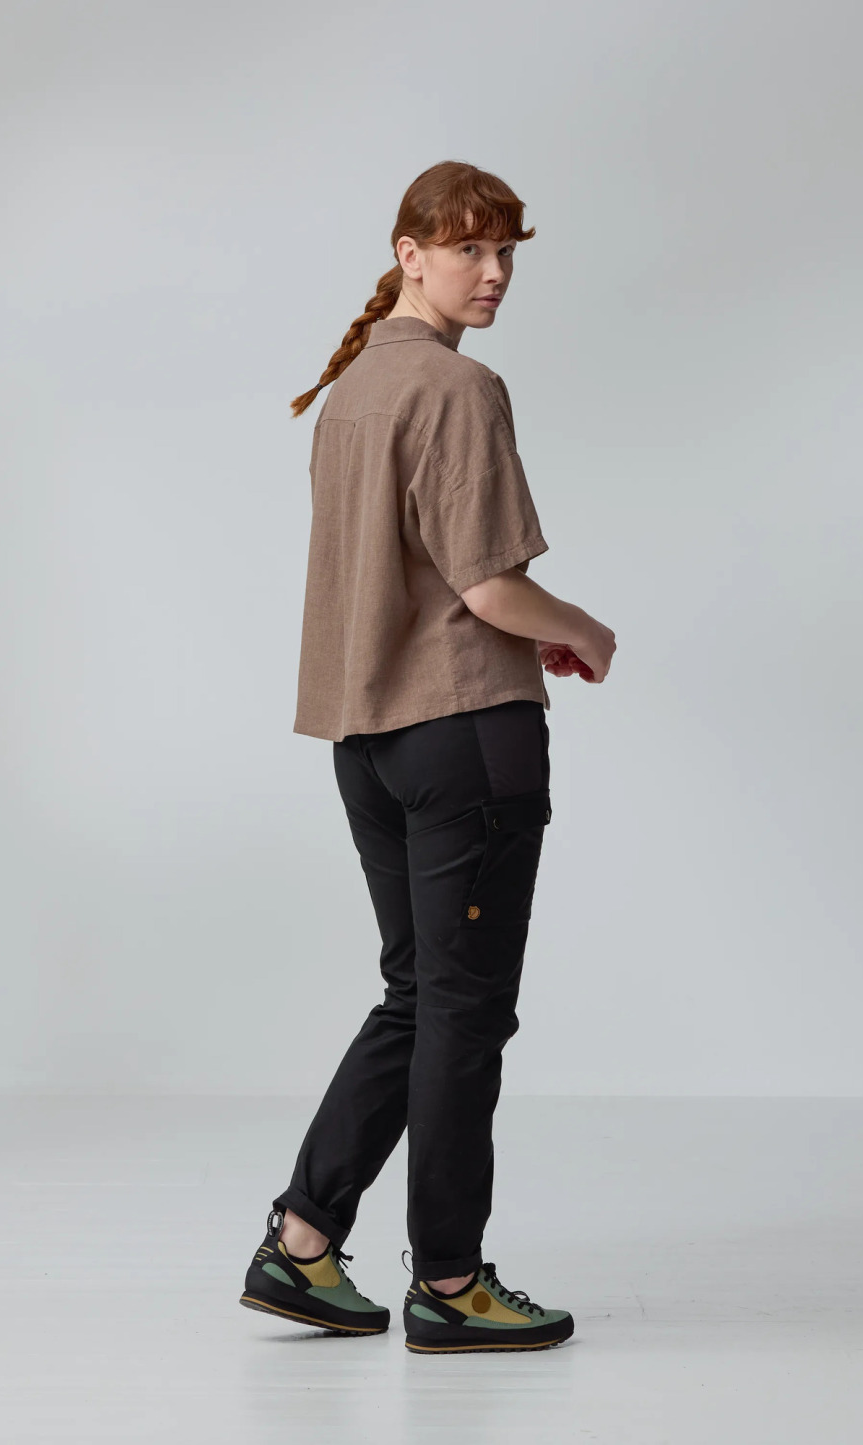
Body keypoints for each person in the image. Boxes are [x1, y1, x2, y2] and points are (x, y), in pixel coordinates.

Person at [238, 160, 616, 1354]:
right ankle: (449, 1280)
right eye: (467, 250)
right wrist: (582, 628)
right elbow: (488, 585)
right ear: (408, 253)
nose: (491, 273)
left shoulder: (351, 388)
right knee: (462, 1011)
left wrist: (509, 625)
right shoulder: (458, 387)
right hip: (464, 739)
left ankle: (302, 1240)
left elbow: (421, 578)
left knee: (418, 993)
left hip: (369, 740)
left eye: (505, 252)